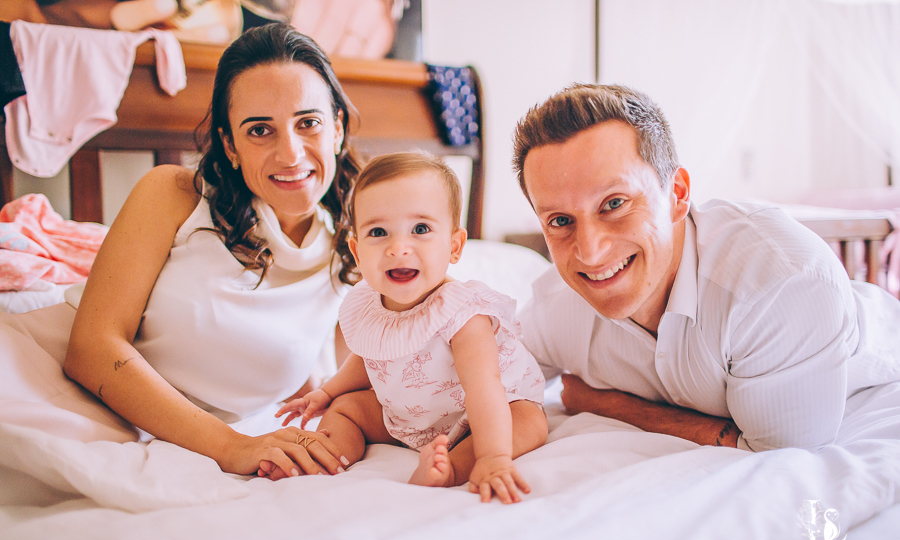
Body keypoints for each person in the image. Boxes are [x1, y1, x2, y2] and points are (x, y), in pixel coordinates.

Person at [513, 83, 900, 453]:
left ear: (677, 195)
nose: (591, 254)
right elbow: (488, 387)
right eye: (561, 221)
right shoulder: (555, 308)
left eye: (614, 204)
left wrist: (603, 403)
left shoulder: (781, 285)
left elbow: (779, 456)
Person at [63, 23, 360, 477]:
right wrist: (231, 446)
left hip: (203, 449)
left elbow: (347, 372)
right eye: (260, 130)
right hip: (77, 405)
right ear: (230, 145)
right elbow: (90, 349)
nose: (291, 153)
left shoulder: (358, 241)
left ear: (337, 128)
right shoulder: (175, 194)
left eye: (309, 123)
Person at [273, 152, 548, 503]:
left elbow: (484, 389)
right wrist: (327, 393)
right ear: (357, 253)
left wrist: (494, 458)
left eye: (420, 230)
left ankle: (451, 468)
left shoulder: (464, 314)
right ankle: (324, 454)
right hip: (410, 415)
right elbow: (370, 356)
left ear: (454, 246)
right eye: (378, 232)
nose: (398, 248)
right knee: (346, 408)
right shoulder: (371, 304)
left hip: (489, 409)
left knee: (527, 424)